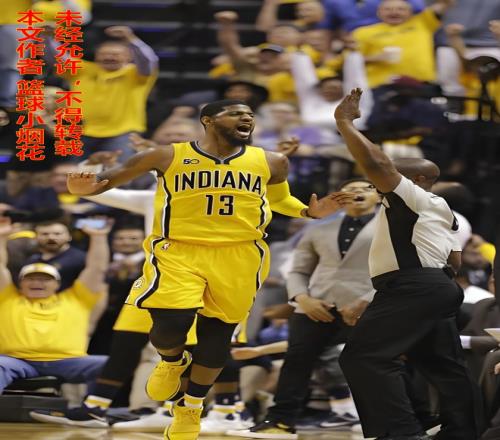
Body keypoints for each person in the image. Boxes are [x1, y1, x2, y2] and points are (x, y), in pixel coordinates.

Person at [60, 99, 353, 439]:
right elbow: (103, 182)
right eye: (236, 113)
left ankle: (191, 409)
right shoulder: (165, 155)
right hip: (179, 250)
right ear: (208, 120)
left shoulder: (272, 160)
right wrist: (81, 186)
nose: (246, 118)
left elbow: (278, 200)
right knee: (170, 324)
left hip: (240, 255)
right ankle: (172, 361)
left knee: (217, 335)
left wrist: (307, 212)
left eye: (250, 114)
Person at [333, 88, 482, 440]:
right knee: (444, 367)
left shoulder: (413, 197)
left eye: (391, 177)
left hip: (413, 287)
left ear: (416, 180)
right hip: (436, 286)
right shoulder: (442, 212)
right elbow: (454, 261)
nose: (377, 182)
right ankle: (461, 432)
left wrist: (345, 123)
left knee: (364, 358)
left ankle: (403, 432)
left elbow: (378, 164)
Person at [231, 178, 379, 438]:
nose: (357, 191)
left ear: (380, 196)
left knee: (377, 363)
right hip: (316, 304)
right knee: (296, 362)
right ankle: (280, 422)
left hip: (368, 305)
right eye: (350, 188)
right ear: (338, 196)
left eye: (367, 188)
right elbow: (298, 270)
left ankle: (389, 422)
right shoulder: (318, 227)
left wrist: (367, 299)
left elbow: (400, 271)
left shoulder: (391, 226)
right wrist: (301, 298)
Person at [0, 216, 109, 393]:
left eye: (45, 279)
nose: (37, 283)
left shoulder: (77, 298)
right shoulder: (7, 298)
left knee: (112, 365)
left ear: (57, 284)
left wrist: (98, 237)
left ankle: (94, 407)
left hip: (69, 361)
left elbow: (97, 269)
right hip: (15, 360)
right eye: (31, 279)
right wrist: (1, 237)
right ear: (20, 283)